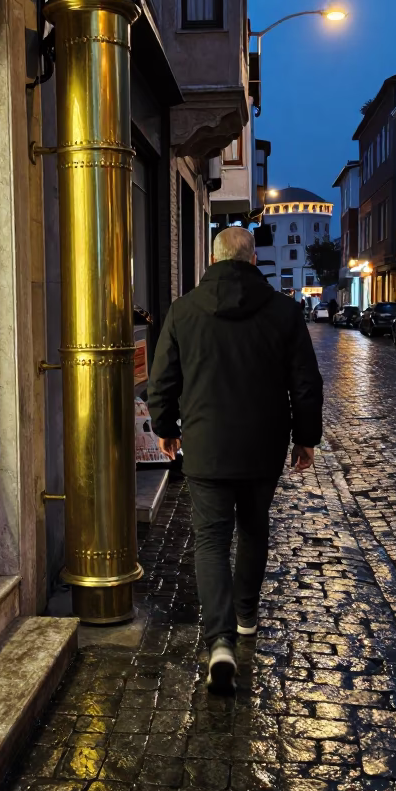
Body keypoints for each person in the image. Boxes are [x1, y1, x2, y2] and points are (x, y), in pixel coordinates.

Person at [147, 227, 324, 691]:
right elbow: (305, 381)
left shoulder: (184, 310)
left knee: (209, 540)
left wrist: (166, 427)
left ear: (213, 259)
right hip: (263, 445)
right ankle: (246, 614)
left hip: (206, 444)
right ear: (251, 261)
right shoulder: (284, 311)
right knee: (253, 527)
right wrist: (305, 438)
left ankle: (220, 641)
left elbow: (162, 376)